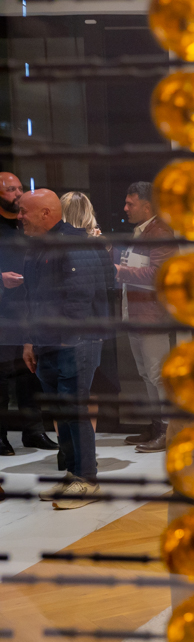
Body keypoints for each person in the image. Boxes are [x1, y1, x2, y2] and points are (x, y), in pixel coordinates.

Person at [19, 189, 115, 509]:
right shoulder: (39, 247)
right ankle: (74, 475)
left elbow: (80, 294)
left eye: (25, 211)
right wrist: (30, 340)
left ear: (46, 213)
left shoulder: (75, 243)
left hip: (76, 341)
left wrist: (66, 336)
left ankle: (87, 480)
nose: (20, 217)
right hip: (48, 341)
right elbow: (33, 299)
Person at [115, 181, 178, 452]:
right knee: (146, 374)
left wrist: (120, 270)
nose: (125, 208)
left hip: (153, 317)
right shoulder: (142, 231)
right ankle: (156, 426)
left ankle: (167, 430)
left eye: (130, 203)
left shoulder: (160, 232)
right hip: (137, 314)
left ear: (147, 206)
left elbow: (159, 274)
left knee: (157, 375)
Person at [0, 173, 57, 455]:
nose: (18, 194)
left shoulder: (30, 224)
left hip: (29, 310)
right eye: (11, 189)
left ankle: (34, 431)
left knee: (30, 374)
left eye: (20, 188)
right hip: (3, 312)